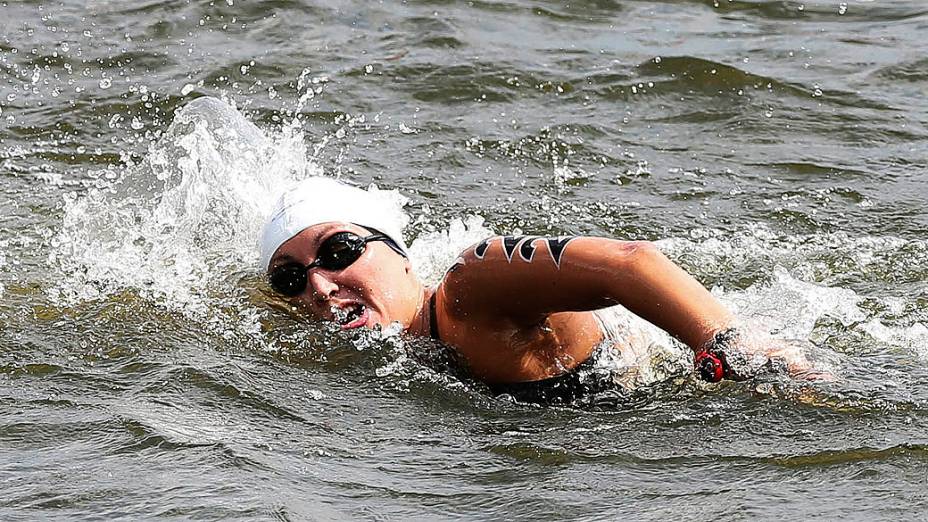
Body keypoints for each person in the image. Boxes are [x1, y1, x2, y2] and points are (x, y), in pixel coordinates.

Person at [260, 177, 819, 403]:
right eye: (291, 276)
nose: (318, 284)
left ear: (399, 253)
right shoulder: (384, 349)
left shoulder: (472, 287)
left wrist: (729, 345)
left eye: (338, 252)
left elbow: (629, 263)